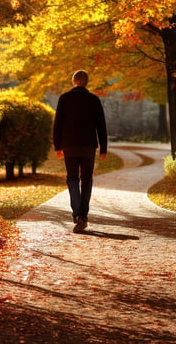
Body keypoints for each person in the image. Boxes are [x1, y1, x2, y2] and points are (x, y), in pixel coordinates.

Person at [53, 70, 108, 233]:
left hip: (69, 146)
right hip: (88, 146)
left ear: (73, 81)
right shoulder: (94, 100)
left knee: (72, 178)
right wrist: (103, 148)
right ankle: (83, 215)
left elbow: (58, 124)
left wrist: (57, 146)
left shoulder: (64, 98)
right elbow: (101, 125)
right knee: (87, 180)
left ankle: (77, 213)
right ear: (87, 82)